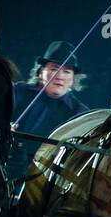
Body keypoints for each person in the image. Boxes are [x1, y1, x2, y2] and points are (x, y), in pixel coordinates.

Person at [7, 41, 91, 180]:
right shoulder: (19, 91)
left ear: (72, 80)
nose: (60, 76)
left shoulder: (80, 113)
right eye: (54, 69)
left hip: (44, 179)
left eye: (66, 71)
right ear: (41, 72)